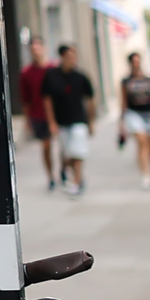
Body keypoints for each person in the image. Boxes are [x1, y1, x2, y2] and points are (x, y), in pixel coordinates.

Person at [41, 45, 96, 198]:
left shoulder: (81, 77)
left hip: (79, 120)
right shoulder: (52, 76)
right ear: (63, 57)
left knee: (77, 151)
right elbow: (47, 100)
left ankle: (76, 182)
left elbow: (90, 99)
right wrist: (51, 121)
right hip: (61, 121)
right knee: (67, 153)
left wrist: (91, 121)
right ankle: (76, 176)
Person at [18, 37, 56, 190]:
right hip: (38, 114)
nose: (36, 52)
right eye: (33, 49)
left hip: (58, 113)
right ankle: (51, 176)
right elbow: (25, 99)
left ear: (44, 48)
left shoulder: (54, 68)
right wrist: (28, 121)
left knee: (65, 146)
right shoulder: (26, 73)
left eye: (38, 48)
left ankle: (64, 169)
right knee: (46, 146)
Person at [118, 53, 150, 188]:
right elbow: (123, 101)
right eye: (134, 61)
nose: (136, 63)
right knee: (142, 142)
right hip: (134, 113)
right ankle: (145, 174)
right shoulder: (126, 81)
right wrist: (121, 121)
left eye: (138, 61)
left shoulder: (149, 79)